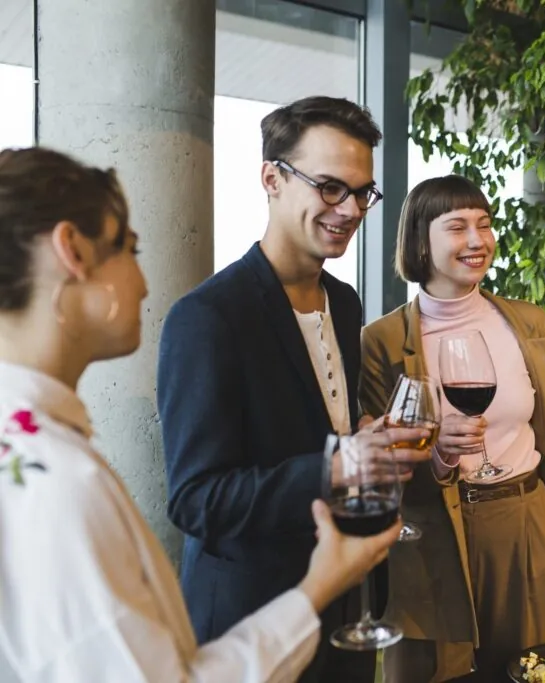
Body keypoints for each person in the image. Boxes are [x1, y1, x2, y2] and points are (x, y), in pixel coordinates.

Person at [0, 146, 405, 681]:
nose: (144, 284)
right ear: (72, 250)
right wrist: (319, 585)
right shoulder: (55, 480)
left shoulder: (39, 452)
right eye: (129, 247)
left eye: (361, 193)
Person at [157, 96, 429, 682]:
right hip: (250, 621)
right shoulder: (207, 317)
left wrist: (362, 438)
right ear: (271, 179)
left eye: (363, 192)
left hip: (345, 602)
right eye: (331, 187)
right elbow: (195, 500)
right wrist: (336, 466)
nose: (351, 208)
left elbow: (316, 426)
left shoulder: (346, 300)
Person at [359, 175, 545, 681]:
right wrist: (440, 454)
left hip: (526, 526)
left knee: (529, 672)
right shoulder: (383, 340)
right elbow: (379, 460)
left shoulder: (526, 322)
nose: (478, 240)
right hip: (433, 536)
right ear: (421, 240)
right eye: (457, 227)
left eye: (484, 225)